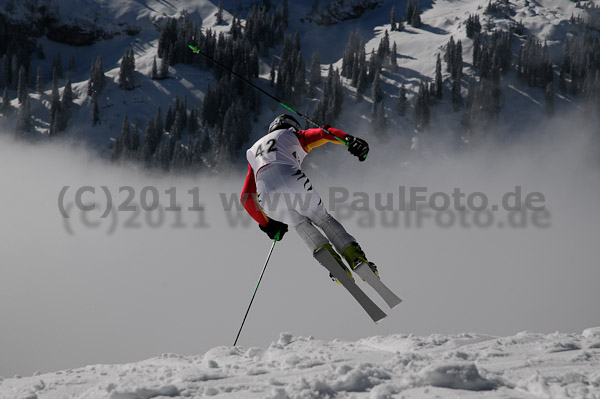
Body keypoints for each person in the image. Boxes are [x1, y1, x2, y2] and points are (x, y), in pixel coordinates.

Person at [241, 114, 378, 282]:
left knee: (299, 224)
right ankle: (356, 259)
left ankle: (334, 266)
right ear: (293, 127)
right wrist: (349, 140)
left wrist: (269, 225)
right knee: (322, 218)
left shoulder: (253, 152)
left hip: (267, 196)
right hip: (292, 178)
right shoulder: (292, 135)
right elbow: (325, 133)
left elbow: (246, 199)